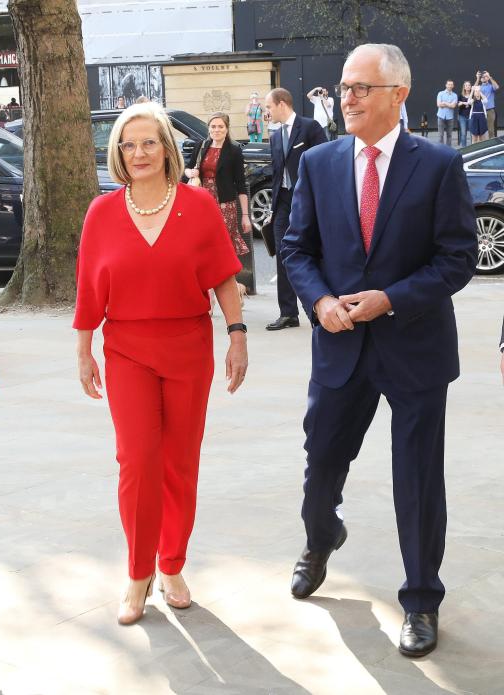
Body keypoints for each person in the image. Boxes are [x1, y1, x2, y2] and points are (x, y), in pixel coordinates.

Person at [281, 43, 477, 659]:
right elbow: (296, 250)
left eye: (361, 88)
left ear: (398, 95)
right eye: (344, 88)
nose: (348, 99)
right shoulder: (319, 163)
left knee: (417, 479)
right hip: (339, 344)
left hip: (414, 346)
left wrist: (389, 299)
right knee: (321, 465)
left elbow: (457, 258)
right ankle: (321, 536)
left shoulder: (440, 165)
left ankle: (420, 599)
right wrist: (318, 303)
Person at [73, 102, 248, 626]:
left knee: (179, 463)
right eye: (128, 145)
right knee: (137, 461)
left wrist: (237, 336)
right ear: (117, 155)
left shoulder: (197, 205)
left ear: (167, 149)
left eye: (149, 142)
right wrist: (83, 350)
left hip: (188, 345)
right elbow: (88, 290)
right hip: (126, 349)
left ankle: (171, 565)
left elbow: (223, 277)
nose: (139, 152)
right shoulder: (100, 213)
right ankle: (136, 573)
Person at [263, 87, 327, 331]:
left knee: (312, 253)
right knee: (283, 254)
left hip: (307, 200)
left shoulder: (310, 128)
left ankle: (317, 305)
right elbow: (277, 174)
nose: (267, 112)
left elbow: (324, 162)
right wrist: (272, 207)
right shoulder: (275, 136)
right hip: (282, 203)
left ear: (282, 104)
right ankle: (288, 313)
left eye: (269, 107)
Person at [183, 111, 252, 296]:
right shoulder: (202, 145)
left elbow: (241, 184)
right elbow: (187, 169)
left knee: (224, 248)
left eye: (221, 126)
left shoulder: (234, 150)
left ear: (227, 128)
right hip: (202, 202)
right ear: (208, 128)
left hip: (225, 206)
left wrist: (245, 216)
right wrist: (190, 173)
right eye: (213, 126)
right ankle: (211, 293)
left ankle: (233, 287)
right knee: (203, 246)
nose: (216, 130)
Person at [477, 70, 498, 137]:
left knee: (490, 129)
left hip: (490, 110)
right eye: (482, 77)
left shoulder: (491, 86)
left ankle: (491, 144)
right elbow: (473, 89)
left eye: (485, 76)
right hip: (481, 110)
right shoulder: (479, 87)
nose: (483, 78)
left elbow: (496, 87)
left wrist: (490, 77)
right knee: (481, 129)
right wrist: (477, 78)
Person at [436, 80, 458, 147]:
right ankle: (441, 149)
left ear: (453, 86)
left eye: (451, 85)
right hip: (441, 116)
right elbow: (439, 104)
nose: (450, 86)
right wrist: (449, 104)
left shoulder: (455, 95)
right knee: (440, 135)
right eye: (448, 84)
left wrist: (445, 103)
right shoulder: (440, 93)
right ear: (446, 85)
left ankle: (448, 150)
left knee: (449, 135)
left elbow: (453, 106)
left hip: (450, 117)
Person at [458, 81, 472, 147]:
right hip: (462, 116)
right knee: (463, 133)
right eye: (466, 85)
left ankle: (473, 148)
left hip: (471, 116)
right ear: (464, 87)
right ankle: (464, 148)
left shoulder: (473, 95)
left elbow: (473, 103)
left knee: (472, 133)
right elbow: (458, 104)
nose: (468, 86)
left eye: (469, 85)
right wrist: (464, 103)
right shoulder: (461, 95)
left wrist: (463, 103)